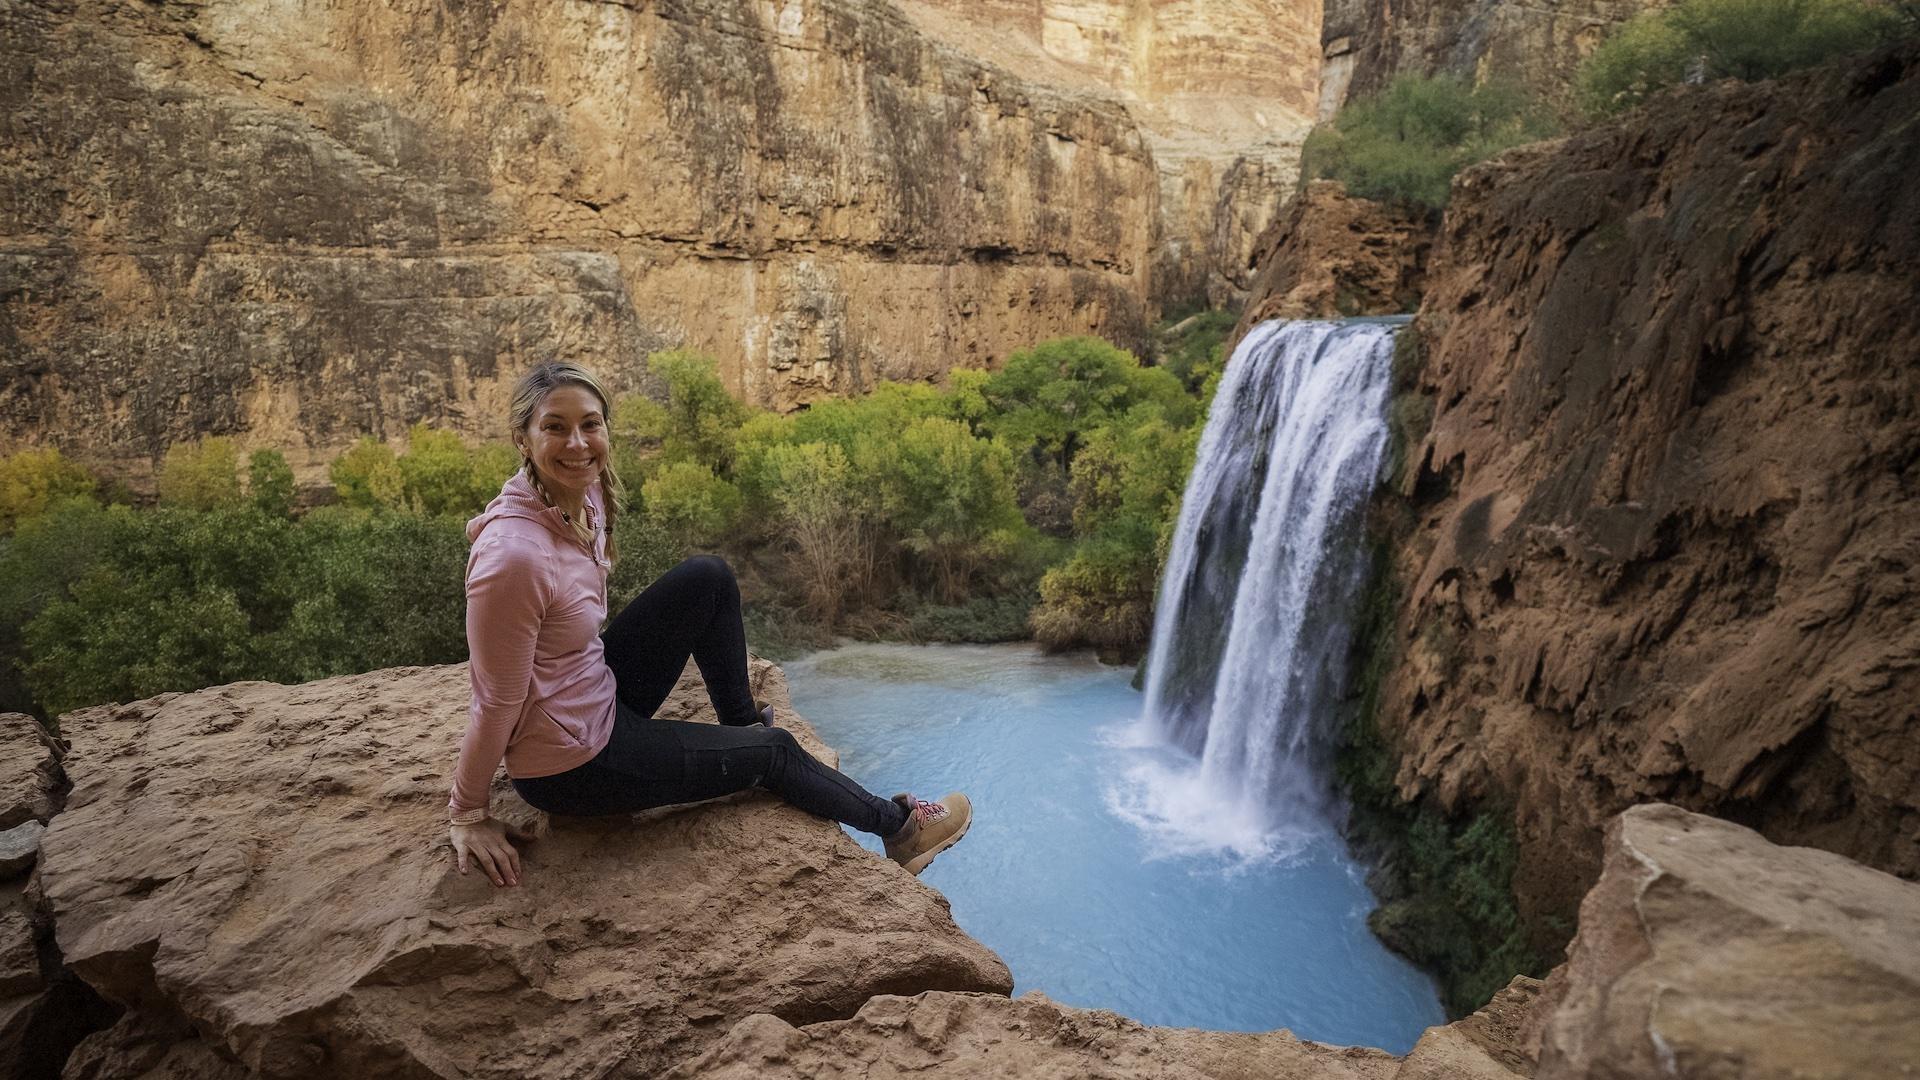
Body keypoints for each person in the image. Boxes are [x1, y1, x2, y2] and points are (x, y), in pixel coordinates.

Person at [445, 361, 972, 888]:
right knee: (776, 754)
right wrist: (467, 812)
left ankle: (739, 727)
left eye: (590, 423)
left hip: (591, 693)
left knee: (708, 577)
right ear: (522, 439)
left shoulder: (581, 494)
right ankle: (900, 829)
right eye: (554, 427)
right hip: (573, 764)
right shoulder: (513, 558)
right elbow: (494, 698)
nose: (577, 443)